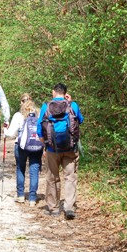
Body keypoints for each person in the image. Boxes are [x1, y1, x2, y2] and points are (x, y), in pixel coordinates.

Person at [38, 83, 84, 220]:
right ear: (65, 93)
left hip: (52, 149)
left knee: (52, 178)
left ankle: (53, 208)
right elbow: (80, 120)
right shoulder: (72, 105)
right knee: (70, 177)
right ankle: (69, 207)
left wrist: (45, 145)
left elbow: (39, 128)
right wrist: (70, 102)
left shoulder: (46, 106)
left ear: (53, 92)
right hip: (70, 148)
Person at [5, 93, 44, 206]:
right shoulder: (39, 113)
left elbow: (11, 133)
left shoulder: (18, 115)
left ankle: (21, 195)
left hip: (21, 146)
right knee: (34, 170)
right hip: (37, 145)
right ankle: (32, 198)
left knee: (20, 169)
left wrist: (5, 131)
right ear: (32, 101)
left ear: (21, 102)